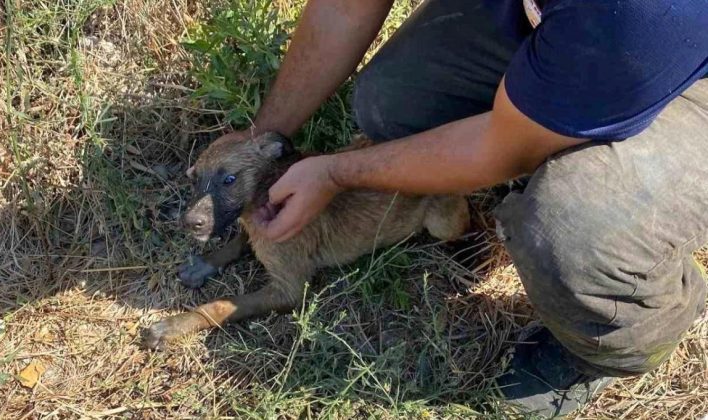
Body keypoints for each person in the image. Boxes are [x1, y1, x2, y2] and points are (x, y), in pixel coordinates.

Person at [216, 0, 708, 416]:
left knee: (570, 228)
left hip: (676, 58)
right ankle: (562, 111)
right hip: (574, 24)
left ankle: (614, 339)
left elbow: (499, 150)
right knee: (394, 103)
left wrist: (336, 172)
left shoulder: (636, 12)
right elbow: (346, 7)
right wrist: (261, 143)